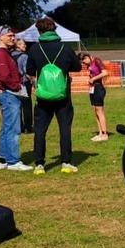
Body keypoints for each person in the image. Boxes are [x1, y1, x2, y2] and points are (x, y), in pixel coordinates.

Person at [25, 17, 82, 175]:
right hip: (63, 95)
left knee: (40, 130)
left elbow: (29, 71)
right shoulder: (65, 47)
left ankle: (39, 165)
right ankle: (65, 162)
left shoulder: (35, 49)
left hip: (43, 97)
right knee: (64, 128)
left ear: (39, 31)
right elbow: (77, 67)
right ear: (54, 30)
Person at [0, 26, 32, 171]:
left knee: (6, 128)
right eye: (9, 35)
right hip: (9, 93)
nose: (12, 38)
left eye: (13, 35)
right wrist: (17, 87)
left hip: (6, 92)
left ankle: (3, 159)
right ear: (0, 37)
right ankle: (14, 161)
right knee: (13, 129)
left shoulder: (1, 52)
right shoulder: (0, 53)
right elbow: (3, 75)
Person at [80, 53, 109, 141]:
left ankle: (105, 134)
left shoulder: (97, 60)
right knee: (95, 111)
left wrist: (93, 78)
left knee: (100, 111)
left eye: (83, 61)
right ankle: (100, 133)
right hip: (92, 89)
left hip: (99, 88)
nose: (84, 64)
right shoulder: (89, 65)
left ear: (86, 57)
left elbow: (105, 73)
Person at [12, 38, 33, 134]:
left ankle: (19, 126)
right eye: (22, 44)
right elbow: (26, 71)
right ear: (17, 46)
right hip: (24, 83)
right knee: (27, 105)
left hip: (13, 83)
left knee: (17, 105)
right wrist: (33, 81)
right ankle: (28, 127)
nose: (25, 45)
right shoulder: (24, 56)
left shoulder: (10, 55)